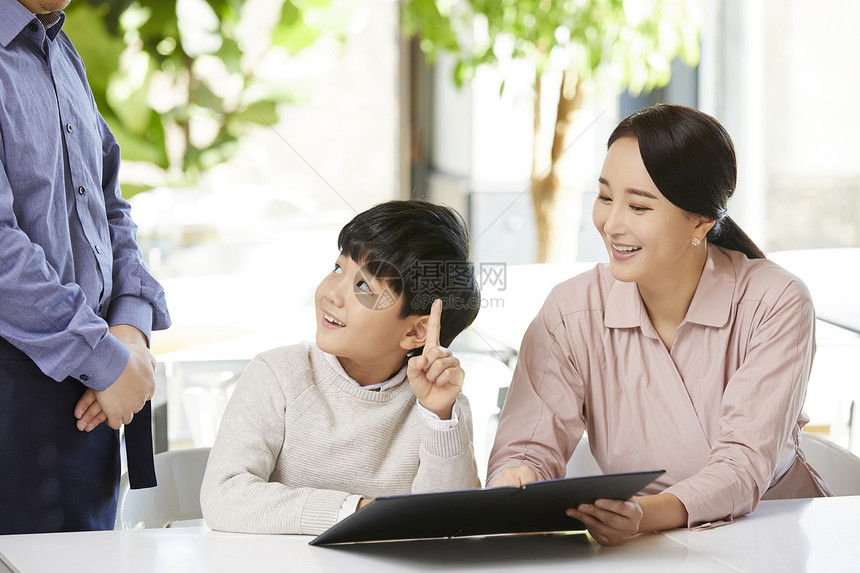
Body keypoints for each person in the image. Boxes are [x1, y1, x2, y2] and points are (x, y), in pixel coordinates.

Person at [487, 104, 831, 546]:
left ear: (701, 222)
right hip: (644, 544)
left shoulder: (776, 302)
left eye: (638, 206)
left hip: (772, 534)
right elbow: (528, 446)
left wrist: (643, 515)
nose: (611, 224)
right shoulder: (572, 310)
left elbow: (743, 466)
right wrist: (517, 479)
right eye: (606, 197)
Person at [200, 200, 482, 535]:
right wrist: (358, 512)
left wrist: (438, 417)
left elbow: (448, 521)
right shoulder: (279, 374)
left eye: (363, 286)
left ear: (415, 331)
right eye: (338, 268)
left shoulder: (441, 408)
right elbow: (223, 496)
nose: (331, 293)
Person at [0, 0, 171, 533]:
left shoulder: (54, 46)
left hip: (92, 384)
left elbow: (108, 202)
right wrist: (105, 356)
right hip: (16, 397)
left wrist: (130, 326)